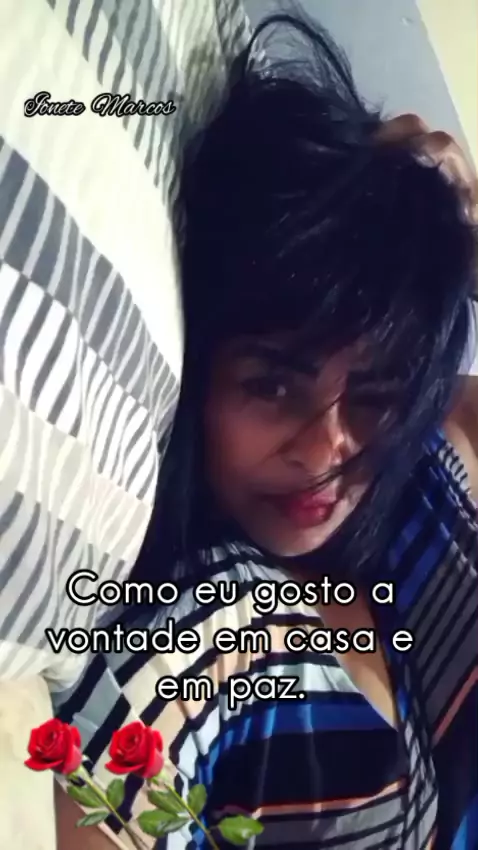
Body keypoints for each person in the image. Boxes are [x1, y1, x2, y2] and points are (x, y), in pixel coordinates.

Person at [54, 14, 478, 850]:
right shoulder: (206, 632)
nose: (325, 452)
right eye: (273, 385)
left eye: (376, 394)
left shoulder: (420, 496)